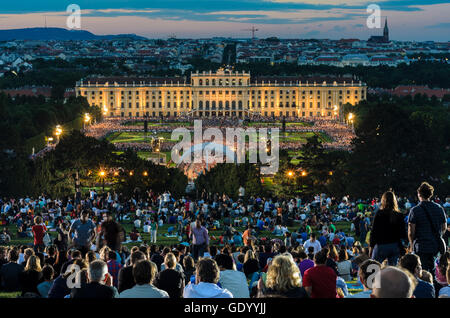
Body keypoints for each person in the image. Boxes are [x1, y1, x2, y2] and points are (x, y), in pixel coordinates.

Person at [408, 182, 447, 275]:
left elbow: (411, 231)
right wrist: (438, 235)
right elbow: (444, 227)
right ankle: (432, 287)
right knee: (433, 270)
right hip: (435, 245)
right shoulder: (439, 208)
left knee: (422, 271)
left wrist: (411, 244)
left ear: (419, 194)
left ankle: (426, 287)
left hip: (421, 245)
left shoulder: (415, 210)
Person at [370, 191, 406, 266]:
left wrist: (371, 246)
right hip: (394, 245)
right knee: (392, 271)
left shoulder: (379, 213)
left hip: (381, 245)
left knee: (373, 269)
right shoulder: (399, 215)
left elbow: (374, 232)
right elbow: (403, 233)